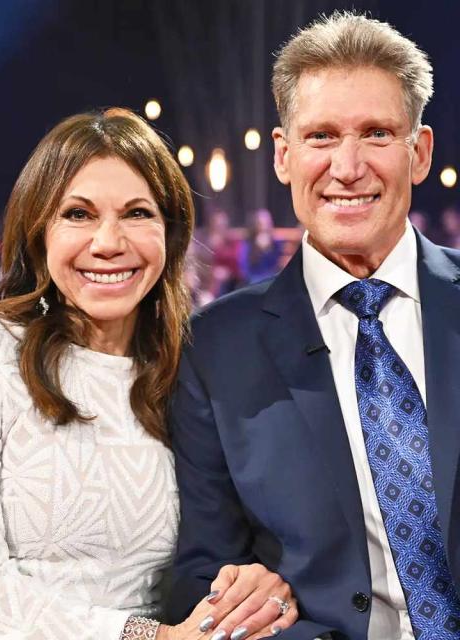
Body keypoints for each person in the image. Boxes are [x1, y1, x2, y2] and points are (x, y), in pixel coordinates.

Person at [166, 12, 459, 640]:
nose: (347, 167)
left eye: (377, 133)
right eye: (321, 136)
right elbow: (202, 572)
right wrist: (253, 608)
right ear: (283, 155)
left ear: (420, 153)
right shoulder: (215, 348)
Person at [0, 108, 298, 640]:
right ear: (38, 232)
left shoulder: (196, 369)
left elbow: (234, 548)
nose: (108, 242)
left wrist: (255, 591)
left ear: (170, 235)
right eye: (77, 214)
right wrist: (151, 638)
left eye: (136, 213)